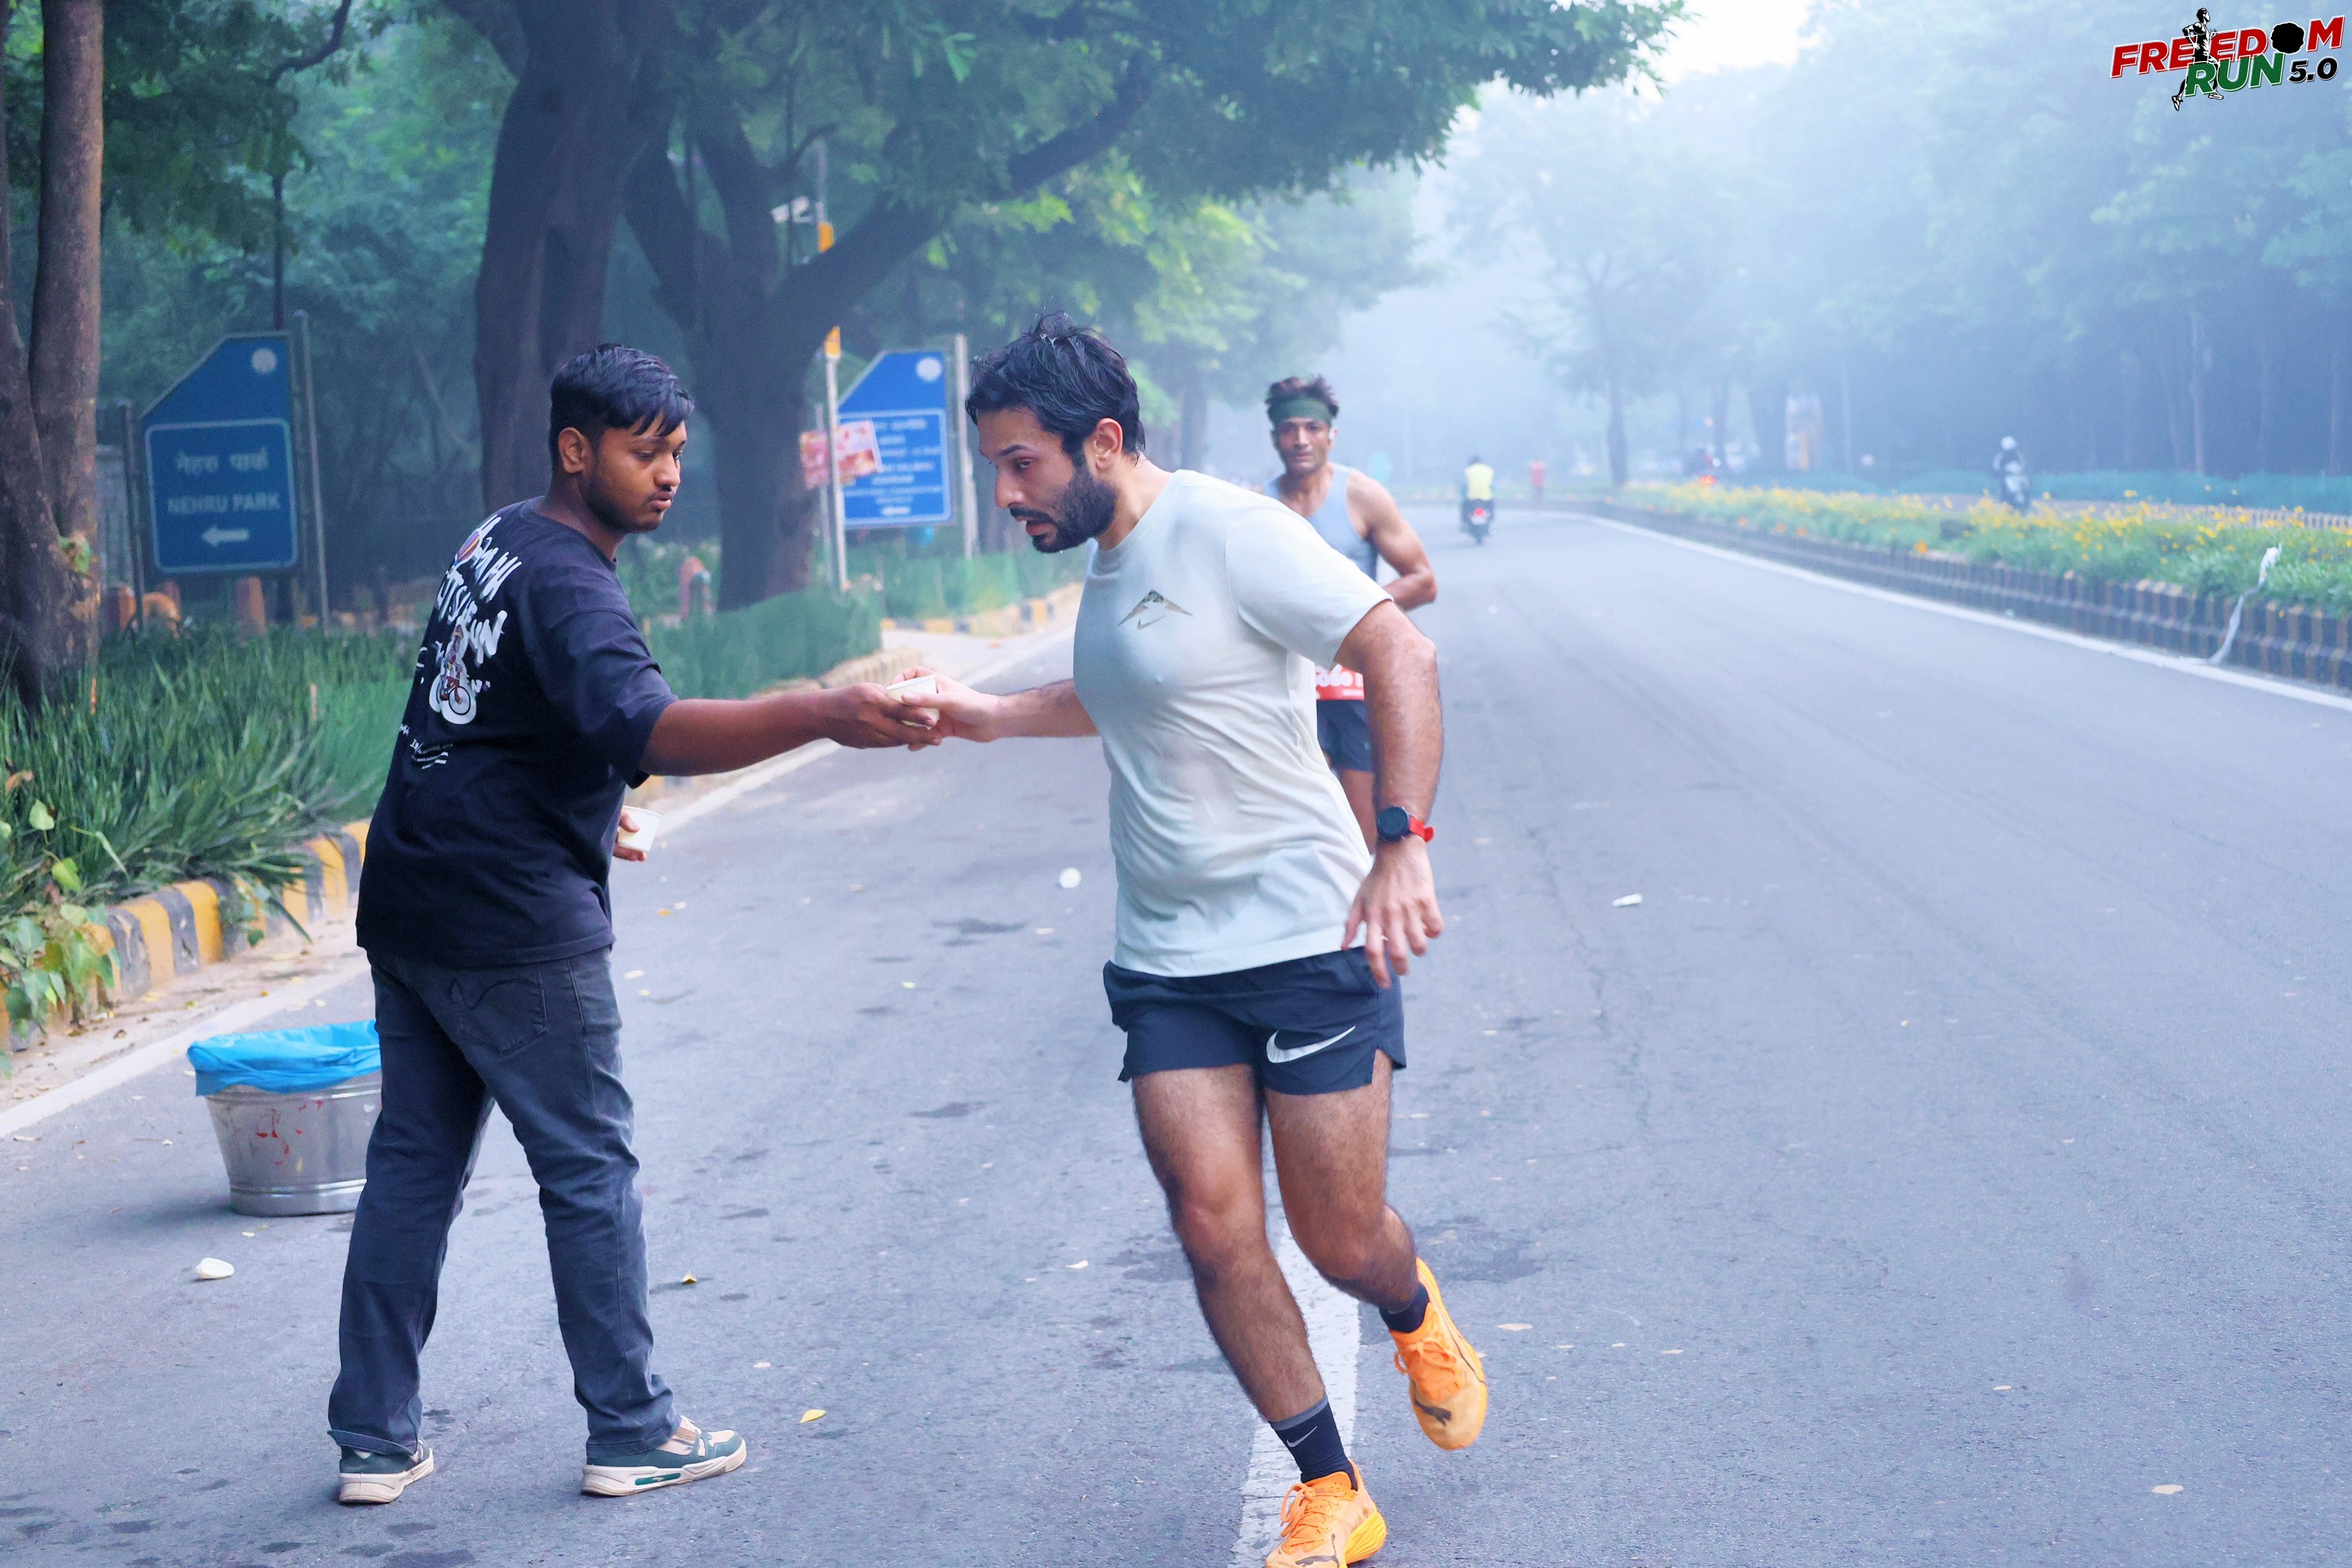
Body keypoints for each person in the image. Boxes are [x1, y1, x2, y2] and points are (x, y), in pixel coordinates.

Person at [903, 314, 1486, 1568]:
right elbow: (1129, 688)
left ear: (1103, 442)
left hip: (1306, 933)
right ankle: (1330, 1485)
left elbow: (1398, 647)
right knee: (1214, 1228)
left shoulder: (1228, 530)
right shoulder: (1108, 558)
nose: (1006, 494)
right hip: (1169, 958)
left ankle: (1410, 1304)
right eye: (996, 466)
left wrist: (1403, 840)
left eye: (1021, 464)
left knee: (1339, 1238)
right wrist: (986, 715)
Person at [334, 344, 936, 1506]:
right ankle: (632, 1427)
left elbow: (485, 714)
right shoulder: (569, 578)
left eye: (676, 453)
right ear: (576, 450)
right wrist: (824, 711)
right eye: (644, 452)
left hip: (412, 892)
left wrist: (582, 801)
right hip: (506, 920)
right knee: (587, 1168)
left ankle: (372, 1435)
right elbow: (649, 727)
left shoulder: (498, 537)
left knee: (412, 1166)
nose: (667, 475)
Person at [1263, 375, 1437, 848]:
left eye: (1313, 428)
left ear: (1331, 435)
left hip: (1356, 682)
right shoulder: (1258, 507)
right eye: (1289, 429)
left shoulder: (1361, 495)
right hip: (1290, 684)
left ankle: (1370, 892)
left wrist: (1348, 610)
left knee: (1364, 832)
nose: (1301, 439)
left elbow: (1423, 580)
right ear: (1275, 438)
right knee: (1305, 827)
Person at [1459, 456, 1494, 528]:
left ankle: (1465, 524)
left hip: (1472, 498)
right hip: (1486, 497)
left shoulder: (1468, 471)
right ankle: (1489, 520)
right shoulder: (1489, 470)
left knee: (1465, 509)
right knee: (1490, 510)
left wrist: (1463, 493)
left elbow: (1464, 486)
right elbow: (1492, 486)